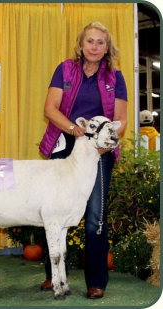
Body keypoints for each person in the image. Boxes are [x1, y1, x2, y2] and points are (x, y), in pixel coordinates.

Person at [39, 22, 127, 299]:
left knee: (94, 217)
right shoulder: (65, 69)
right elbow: (50, 108)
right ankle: (52, 275)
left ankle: (96, 280)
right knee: (52, 210)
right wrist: (73, 129)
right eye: (90, 41)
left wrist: (105, 142)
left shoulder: (116, 77)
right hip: (65, 144)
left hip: (97, 152)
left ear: (107, 48)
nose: (94, 46)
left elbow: (121, 120)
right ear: (81, 44)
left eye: (101, 42)